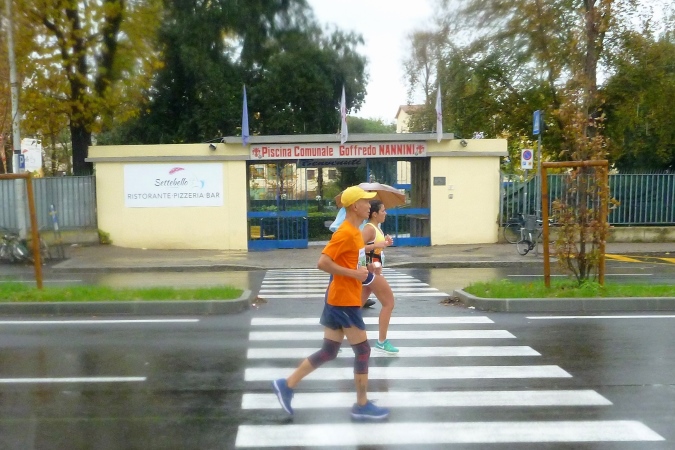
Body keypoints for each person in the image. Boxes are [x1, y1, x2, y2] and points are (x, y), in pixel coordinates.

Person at [272, 185, 390, 421]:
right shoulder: (345, 233)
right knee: (363, 351)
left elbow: (352, 262)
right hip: (344, 301)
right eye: (366, 202)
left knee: (329, 351)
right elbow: (323, 263)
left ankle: (287, 384)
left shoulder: (355, 233)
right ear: (355, 206)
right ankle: (361, 405)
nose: (370, 205)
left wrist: (367, 269)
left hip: (340, 298)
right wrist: (354, 274)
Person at [360, 200, 398, 354]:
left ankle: (334, 337)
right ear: (374, 214)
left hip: (373, 269)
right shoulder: (369, 228)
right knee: (389, 303)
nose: (385, 213)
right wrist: (377, 246)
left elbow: (374, 249)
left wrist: (385, 243)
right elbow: (356, 248)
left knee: (355, 306)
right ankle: (382, 342)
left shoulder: (376, 228)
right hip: (372, 271)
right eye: (383, 210)